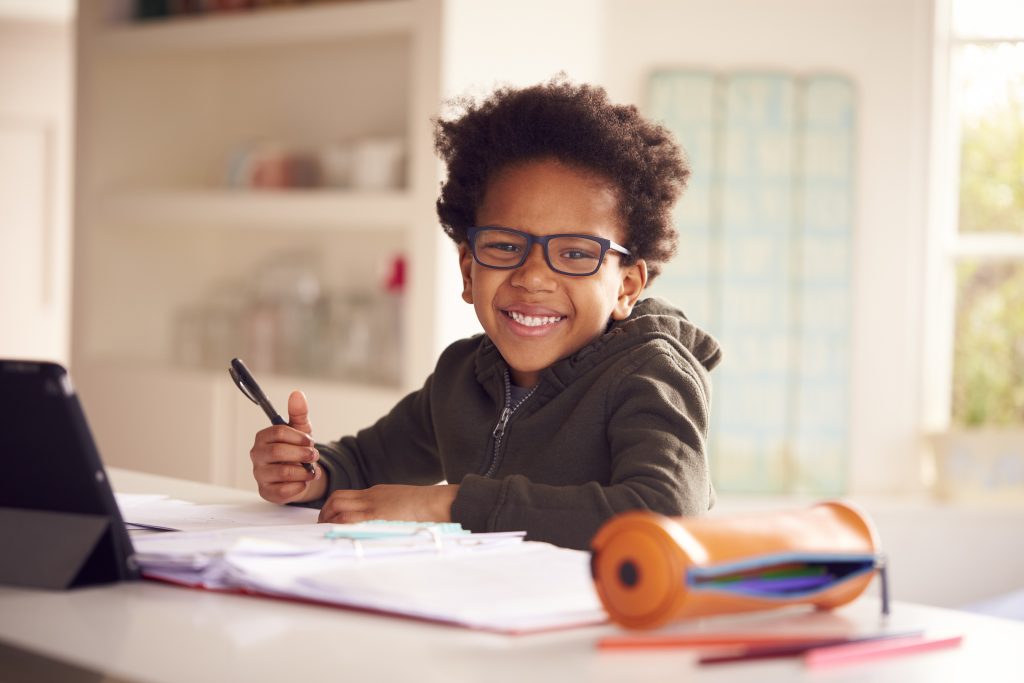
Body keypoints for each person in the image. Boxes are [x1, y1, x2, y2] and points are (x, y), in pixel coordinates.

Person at [249, 77, 722, 550]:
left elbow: (663, 513)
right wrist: (307, 472)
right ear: (469, 271)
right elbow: (364, 463)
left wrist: (447, 504)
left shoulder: (651, 375)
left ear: (627, 286)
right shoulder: (462, 378)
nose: (533, 277)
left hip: (609, 615)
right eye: (505, 246)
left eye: (577, 254)